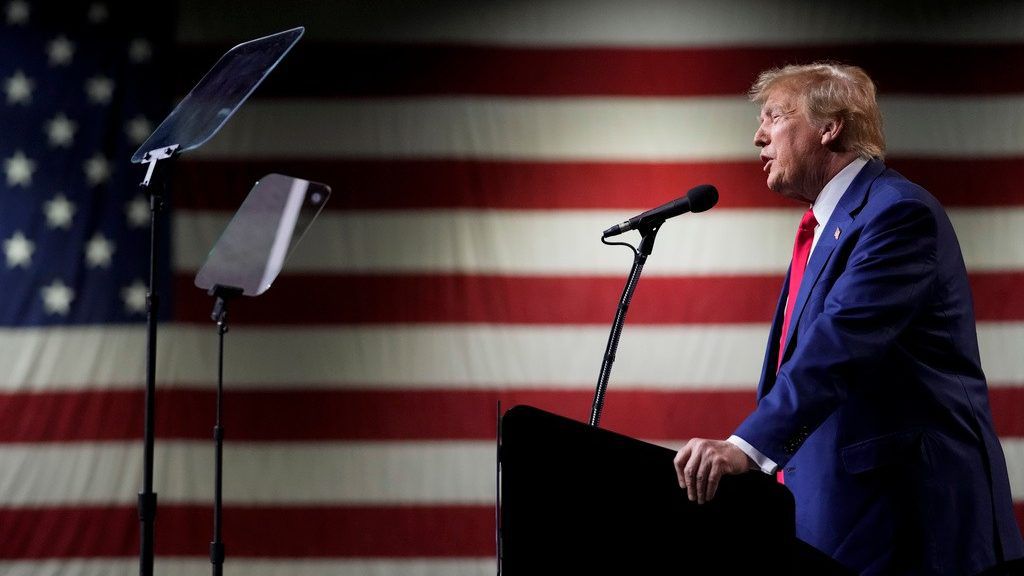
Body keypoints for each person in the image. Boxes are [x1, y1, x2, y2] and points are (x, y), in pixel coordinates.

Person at [673, 62, 1024, 575]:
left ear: (830, 126)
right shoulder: (824, 226)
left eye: (774, 116)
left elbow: (838, 344)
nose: (758, 136)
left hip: (911, 522)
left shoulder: (897, 214)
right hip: (838, 521)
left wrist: (744, 447)